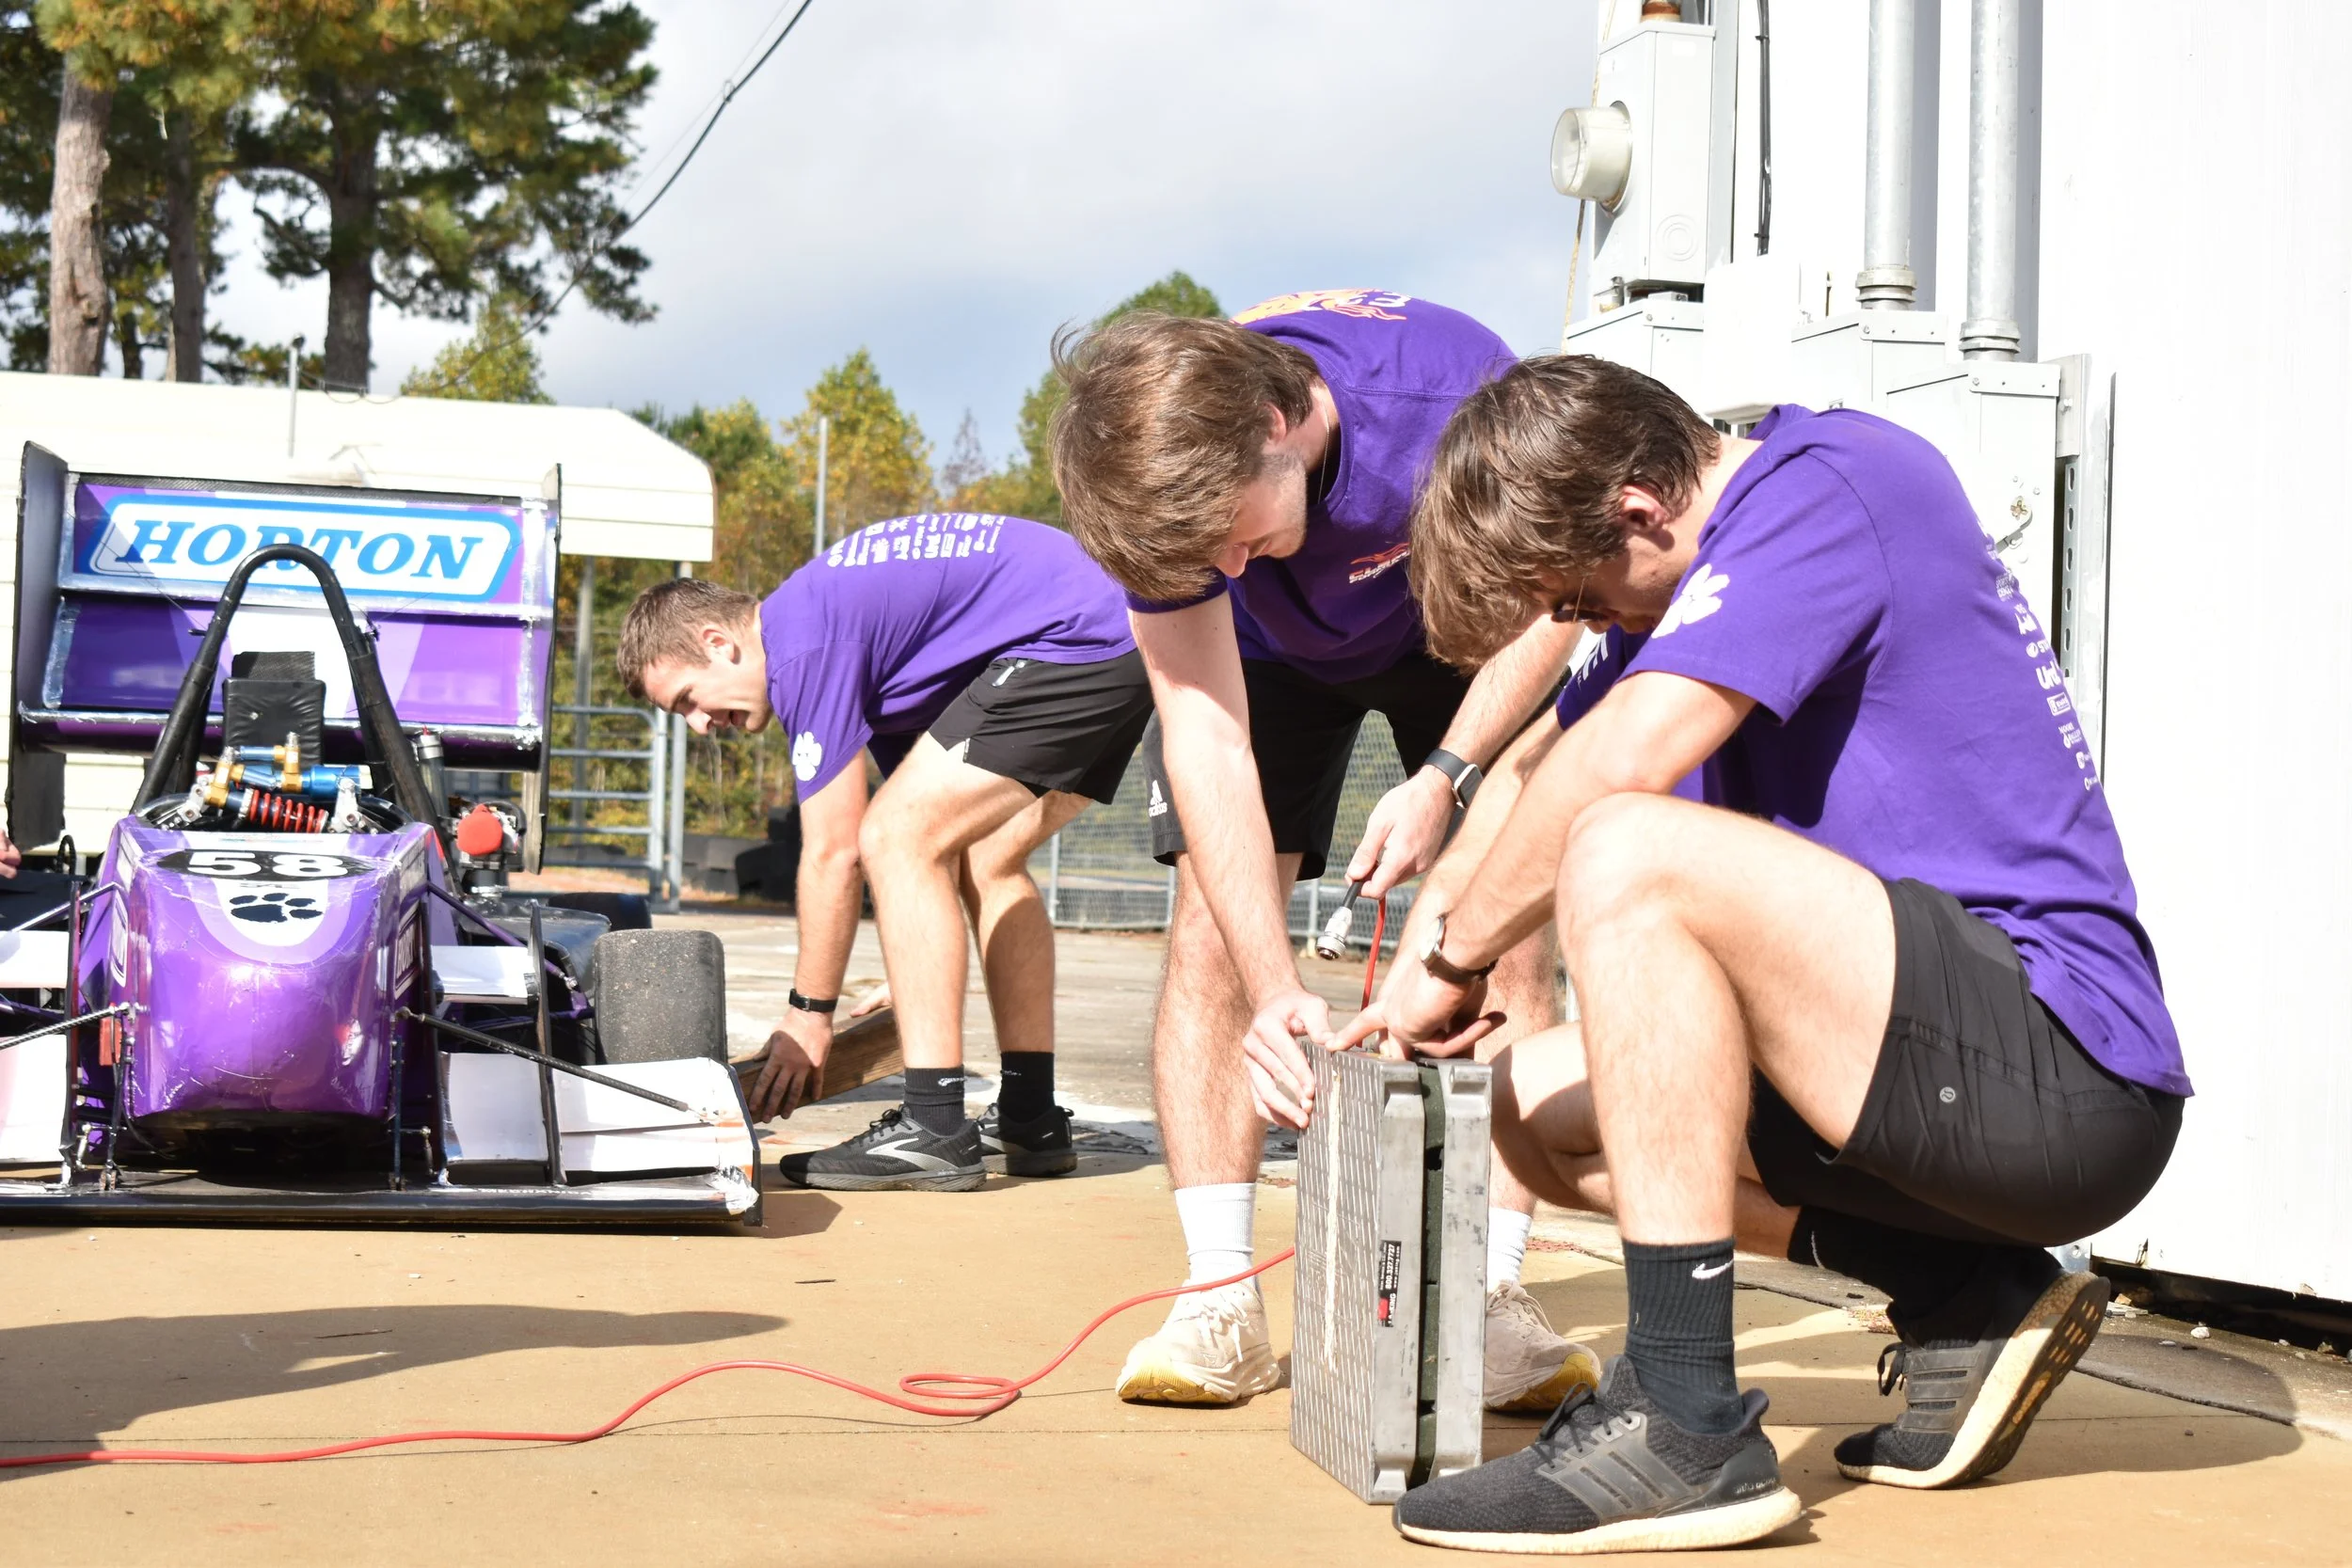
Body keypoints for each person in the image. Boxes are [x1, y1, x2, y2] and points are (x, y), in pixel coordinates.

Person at [1315, 356, 2185, 1553]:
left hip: (2062, 1067)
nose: (1588, 627)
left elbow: (1615, 767)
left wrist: (1458, 960)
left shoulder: (1835, 481)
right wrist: (1414, 972)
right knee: (1532, 1102)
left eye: (1582, 600)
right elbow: (1527, 769)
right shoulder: (1680, 590)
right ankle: (1970, 1295)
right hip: (1912, 1059)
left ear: (1637, 510)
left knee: (1624, 846)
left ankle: (1683, 1422)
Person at [1051, 290, 1597, 1412]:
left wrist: (1446, 773)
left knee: (1505, 927)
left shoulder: (1451, 400)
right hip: (1268, 662)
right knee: (1211, 926)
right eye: (1202, 554)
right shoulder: (1166, 489)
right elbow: (1206, 735)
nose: (1227, 564)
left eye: (1231, 531)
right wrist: (1273, 989)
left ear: (1276, 423)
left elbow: (1559, 604)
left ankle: (1488, 1295)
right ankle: (1218, 1297)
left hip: (1465, 619)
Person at [615, 513, 1154, 1192]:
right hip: (1122, 626)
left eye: (688, 700)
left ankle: (933, 1127)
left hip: (1078, 636)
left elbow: (835, 851)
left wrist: (810, 1013)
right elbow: (944, 849)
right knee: (986, 855)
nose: (699, 726)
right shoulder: (847, 630)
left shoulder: (802, 643)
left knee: (891, 836)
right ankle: (1029, 1116)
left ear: (719, 643)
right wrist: (914, 963)